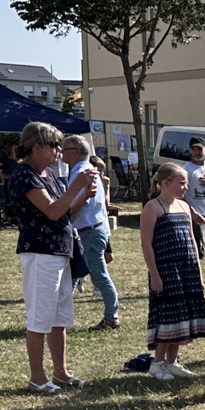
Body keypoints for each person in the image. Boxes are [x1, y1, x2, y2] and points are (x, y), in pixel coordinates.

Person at [6, 119, 92, 395]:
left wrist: (83, 195)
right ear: (35, 146)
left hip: (59, 250)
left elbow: (66, 214)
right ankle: (37, 377)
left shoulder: (49, 175)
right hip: (40, 252)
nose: (58, 151)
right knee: (40, 317)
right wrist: (75, 186)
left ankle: (61, 372)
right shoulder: (24, 175)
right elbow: (52, 211)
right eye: (54, 145)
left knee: (59, 317)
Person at [133, 162, 205, 379]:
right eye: (182, 183)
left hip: (186, 269)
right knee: (168, 315)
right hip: (166, 270)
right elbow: (146, 243)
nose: (185, 187)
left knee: (182, 314)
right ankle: (157, 363)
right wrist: (155, 274)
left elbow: (192, 241)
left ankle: (172, 361)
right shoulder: (152, 207)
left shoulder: (184, 207)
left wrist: (198, 272)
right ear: (166, 183)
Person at [62, 134, 120, 331]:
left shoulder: (82, 172)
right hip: (90, 229)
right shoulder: (85, 170)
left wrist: (66, 222)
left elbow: (80, 202)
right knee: (74, 273)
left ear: (76, 152)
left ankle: (112, 318)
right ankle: (59, 313)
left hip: (90, 231)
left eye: (65, 149)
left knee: (99, 275)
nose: (61, 151)